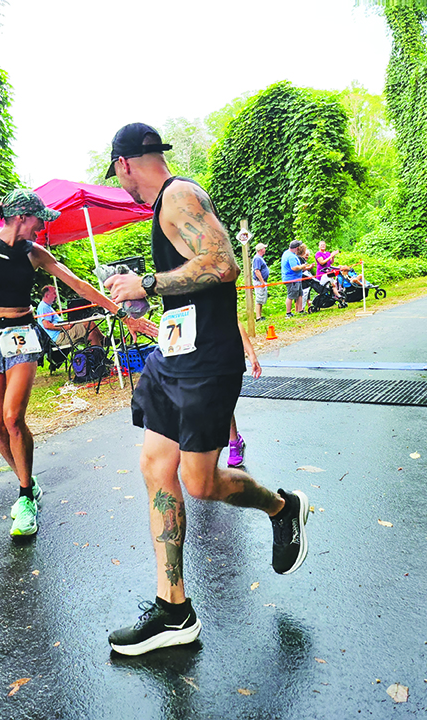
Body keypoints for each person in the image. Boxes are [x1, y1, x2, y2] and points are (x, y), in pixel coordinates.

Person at [102, 122, 309, 656]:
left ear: (124, 164)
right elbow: (194, 278)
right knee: (155, 465)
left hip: (207, 362)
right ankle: (173, 610)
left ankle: (282, 508)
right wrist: (147, 299)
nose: (120, 182)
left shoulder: (178, 195)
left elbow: (222, 263)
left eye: (117, 174)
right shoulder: (165, 208)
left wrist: (145, 282)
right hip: (173, 356)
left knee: (198, 482)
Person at [0, 189, 156, 538]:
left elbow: (80, 284)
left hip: (21, 334)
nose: (43, 226)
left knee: (13, 419)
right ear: (22, 217)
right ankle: (28, 480)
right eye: (40, 220)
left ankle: (24, 496)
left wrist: (122, 313)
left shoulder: (34, 253)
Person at [226, 322, 261, 468]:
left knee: (223, 398)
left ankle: (234, 442)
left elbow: (234, 319)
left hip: (218, 348)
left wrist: (251, 353)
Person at [36, 284, 104, 348]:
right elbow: (47, 325)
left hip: (63, 334)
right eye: (54, 293)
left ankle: (99, 357)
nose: (56, 296)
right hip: (59, 337)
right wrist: (66, 327)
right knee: (89, 323)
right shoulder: (43, 307)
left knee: (93, 334)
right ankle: (104, 340)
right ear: (47, 295)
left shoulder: (47, 307)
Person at [280, 240, 310, 316]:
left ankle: (300, 310)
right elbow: (294, 267)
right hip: (291, 279)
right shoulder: (291, 256)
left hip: (296, 278)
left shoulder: (288, 253)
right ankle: (288, 312)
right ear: (297, 248)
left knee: (300, 294)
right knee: (291, 296)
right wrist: (302, 266)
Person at [251, 240, 270, 322]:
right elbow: (257, 271)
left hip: (261, 281)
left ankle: (260, 315)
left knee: (262, 298)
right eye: (264, 248)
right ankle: (258, 317)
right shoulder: (257, 259)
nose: (265, 250)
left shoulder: (260, 258)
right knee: (259, 299)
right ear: (261, 249)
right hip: (259, 282)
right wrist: (262, 281)